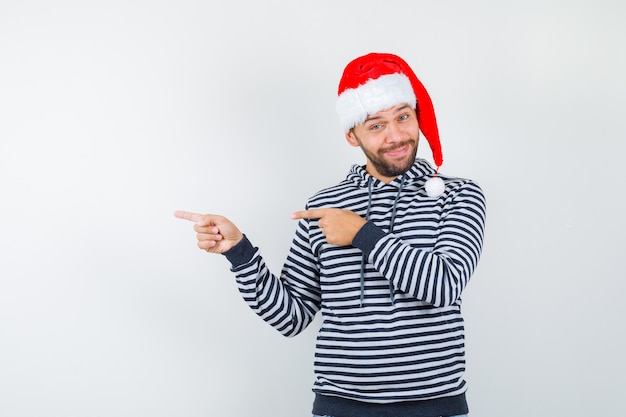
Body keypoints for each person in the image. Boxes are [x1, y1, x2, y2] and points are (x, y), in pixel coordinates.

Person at [175, 52, 486, 417]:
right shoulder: (325, 205)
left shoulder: (458, 194)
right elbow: (291, 316)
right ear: (352, 135)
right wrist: (239, 252)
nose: (396, 135)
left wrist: (361, 233)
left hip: (436, 406)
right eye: (376, 125)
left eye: (403, 117)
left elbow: (444, 284)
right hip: (341, 407)